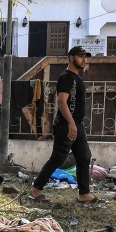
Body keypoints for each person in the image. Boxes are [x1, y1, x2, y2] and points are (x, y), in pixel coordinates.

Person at [29, 45, 97, 203]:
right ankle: (36, 190)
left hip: (77, 125)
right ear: (71, 57)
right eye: (80, 56)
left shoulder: (77, 77)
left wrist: (76, 124)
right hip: (66, 126)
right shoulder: (67, 77)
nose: (84, 59)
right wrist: (71, 124)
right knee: (58, 159)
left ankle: (83, 194)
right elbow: (61, 101)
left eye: (85, 57)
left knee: (84, 157)